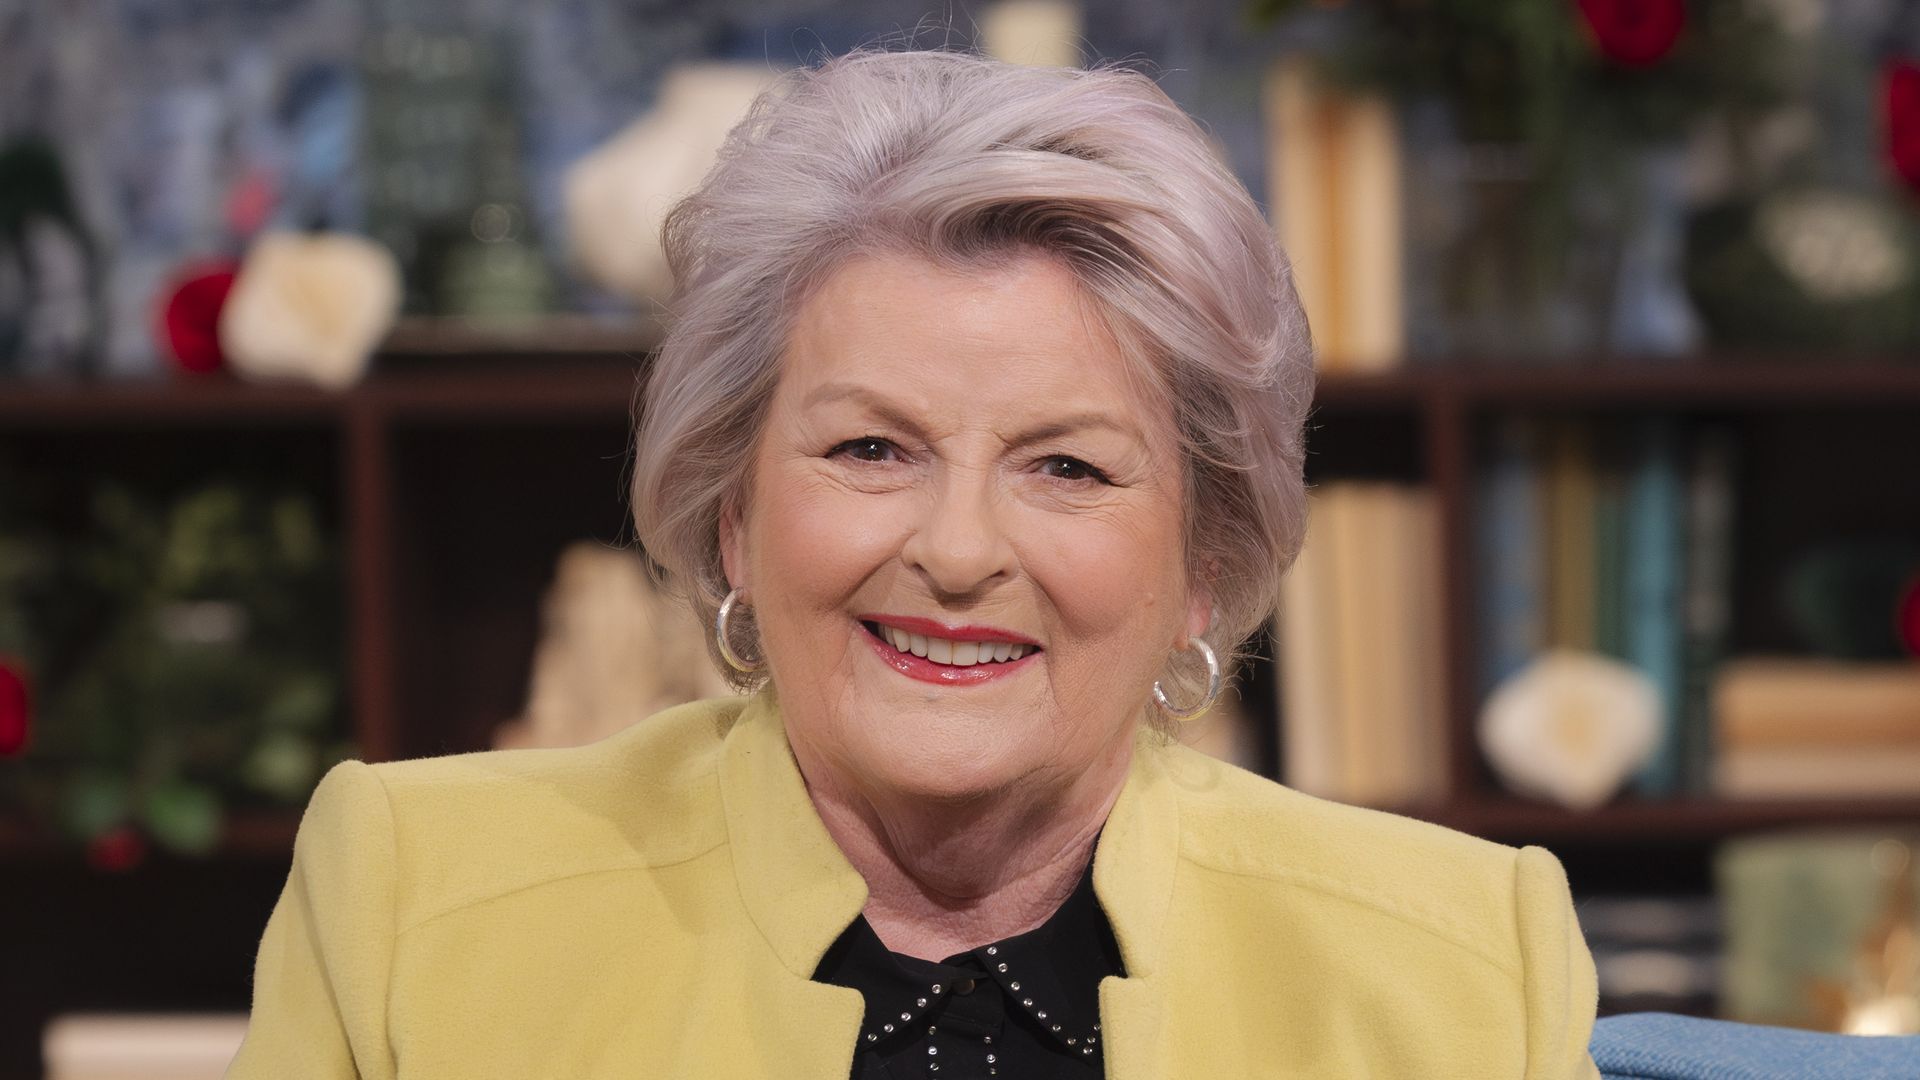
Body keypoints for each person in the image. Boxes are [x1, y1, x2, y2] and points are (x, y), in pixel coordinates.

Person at [226, 47, 1601, 1079]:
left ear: (1206, 557)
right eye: (872, 450)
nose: (954, 552)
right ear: (733, 516)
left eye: (1067, 467)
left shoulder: (1463, 967)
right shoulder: (414, 901)